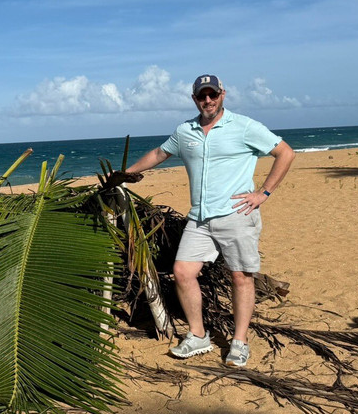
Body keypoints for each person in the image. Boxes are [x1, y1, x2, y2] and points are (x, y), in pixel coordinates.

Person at [125, 74, 295, 367]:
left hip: (236, 215)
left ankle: (239, 342)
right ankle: (199, 335)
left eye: (212, 95)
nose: (208, 100)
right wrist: (126, 176)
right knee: (182, 272)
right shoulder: (185, 131)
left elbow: (285, 152)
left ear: (222, 95)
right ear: (194, 99)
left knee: (241, 277)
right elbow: (159, 153)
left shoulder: (243, 126)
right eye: (202, 96)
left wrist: (263, 193)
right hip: (200, 218)